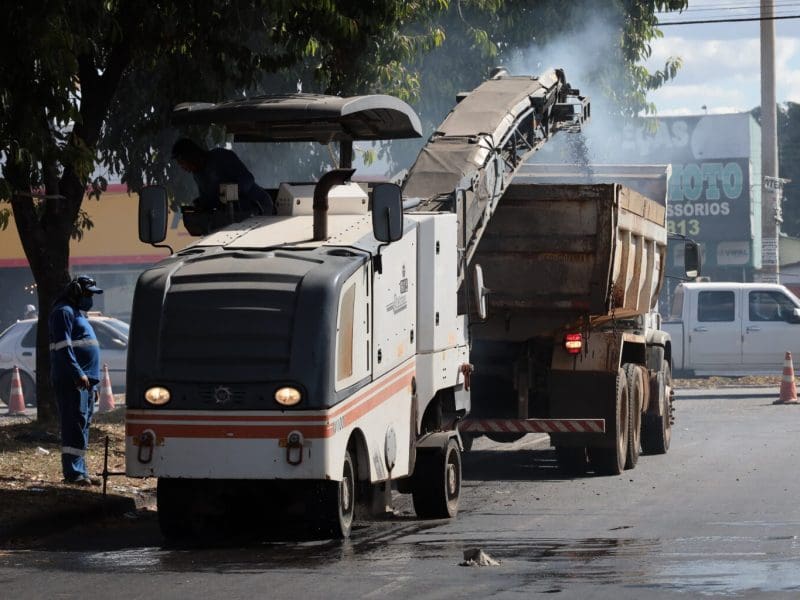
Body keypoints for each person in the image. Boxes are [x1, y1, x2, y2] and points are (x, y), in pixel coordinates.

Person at [49, 275, 104, 486]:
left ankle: (82, 471)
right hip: (72, 380)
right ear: (76, 292)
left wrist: (92, 382)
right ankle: (73, 473)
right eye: (88, 294)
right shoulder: (62, 312)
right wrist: (78, 373)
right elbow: (64, 348)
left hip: (85, 382)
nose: (91, 298)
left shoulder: (77, 313)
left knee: (82, 424)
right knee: (73, 424)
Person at [171, 137, 273, 216]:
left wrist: (230, 192)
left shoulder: (220, 157)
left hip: (260, 207)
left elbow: (248, 179)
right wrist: (201, 204)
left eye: (182, 162)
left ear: (191, 155)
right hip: (236, 217)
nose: (182, 167)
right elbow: (211, 201)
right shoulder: (197, 175)